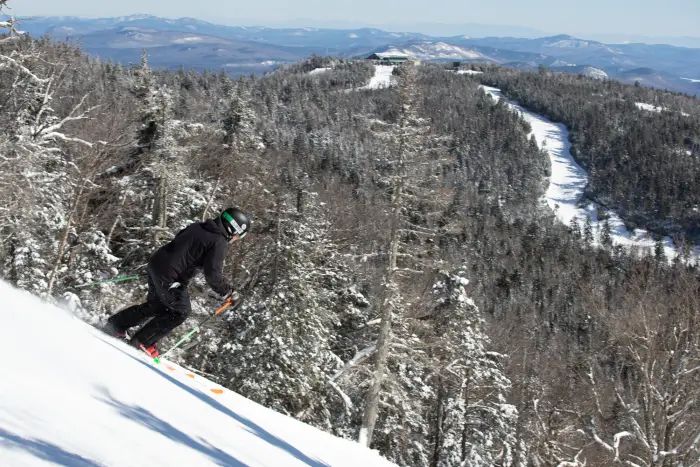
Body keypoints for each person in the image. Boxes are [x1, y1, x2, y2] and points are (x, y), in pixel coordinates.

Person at [103, 207, 251, 357]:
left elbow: (179, 242)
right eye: (239, 236)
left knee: (158, 305)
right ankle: (142, 341)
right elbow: (213, 274)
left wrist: (162, 268)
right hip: (171, 277)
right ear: (233, 230)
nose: (236, 239)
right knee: (181, 311)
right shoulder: (219, 242)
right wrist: (228, 292)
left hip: (156, 264)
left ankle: (116, 325)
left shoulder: (198, 226)